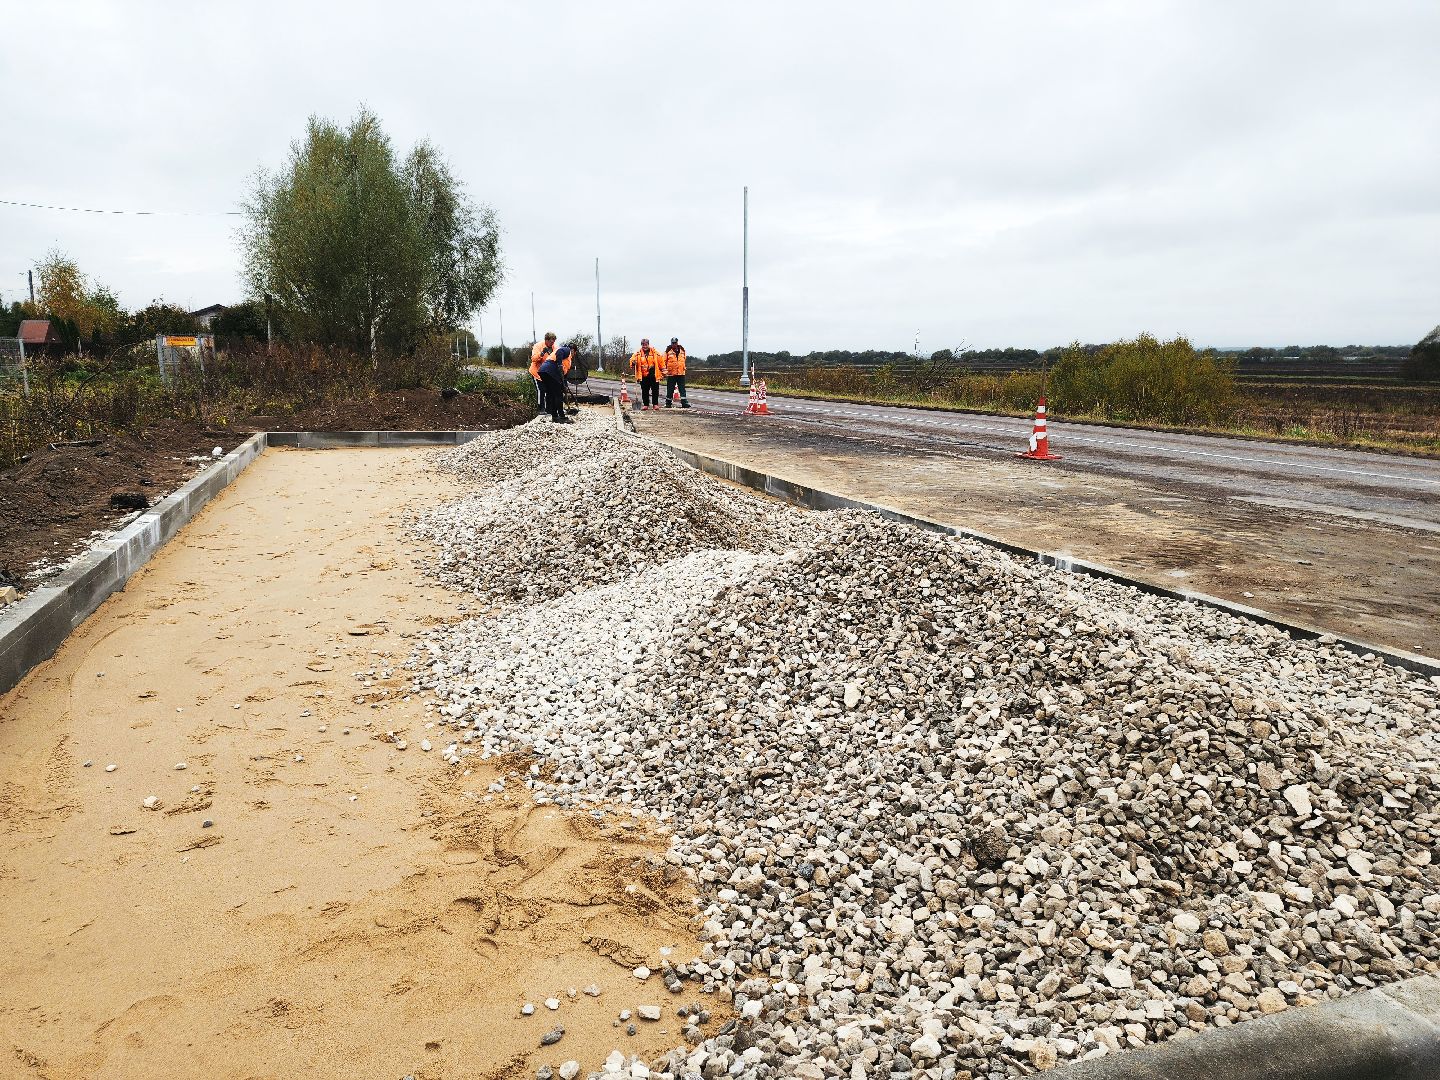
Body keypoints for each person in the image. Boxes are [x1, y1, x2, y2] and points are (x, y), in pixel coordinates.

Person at [538, 345, 570, 423]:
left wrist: (564, 386)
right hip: (550, 370)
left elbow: (564, 377)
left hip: (543, 371)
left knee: (552, 395)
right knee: (558, 395)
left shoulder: (565, 360)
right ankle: (562, 417)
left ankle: (555, 416)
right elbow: (560, 352)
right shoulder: (566, 350)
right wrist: (559, 364)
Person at [630, 338, 664, 411]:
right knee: (644, 390)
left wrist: (663, 372)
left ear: (648, 344)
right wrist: (633, 362)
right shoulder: (638, 353)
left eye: (646, 344)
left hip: (653, 374)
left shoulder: (655, 352)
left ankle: (655, 404)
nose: (644, 346)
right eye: (643, 345)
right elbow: (632, 360)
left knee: (655, 390)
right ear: (641, 345)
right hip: (643, 375)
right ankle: (646, 405)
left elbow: (661, 362)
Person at [529, 332, 558, 413]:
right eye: (551, 341)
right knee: (541, 390)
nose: (552, 343)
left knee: (549, 390)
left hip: (547, 373)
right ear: (546, 340)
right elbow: (533, 359)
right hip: (537, 372)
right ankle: (540, 409)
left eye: (553, 341)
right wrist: (541, 353)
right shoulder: (538, 346)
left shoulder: (554, 348)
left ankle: (549, 409)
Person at [663, 337, 690, 408]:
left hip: (681, 373)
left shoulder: (682, 350)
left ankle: (684, 403)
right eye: (673, 343)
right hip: (671, 374)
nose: (674, 344)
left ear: (677, 343)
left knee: (682, 389)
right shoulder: (668, 351)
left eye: (675, 343)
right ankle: (668, 403)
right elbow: (663, 362)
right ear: (671, 343)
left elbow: (684, 360)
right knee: (670, 389)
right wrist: (665, 372)